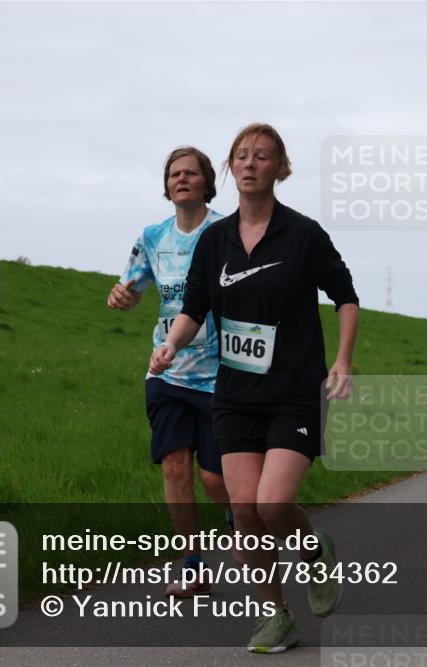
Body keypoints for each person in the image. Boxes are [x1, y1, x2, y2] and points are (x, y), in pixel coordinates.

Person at [150, 123, 360, 653]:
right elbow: (194, 307)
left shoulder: (303, 234)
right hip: (235, 395)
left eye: (261, 156)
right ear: (230, 167)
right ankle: (276, 616)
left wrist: (342, 360)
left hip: (293, 391)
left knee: (272, 503)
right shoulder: (213, 241)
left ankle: (314, 553)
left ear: (279, 168)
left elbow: (346, 296)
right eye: (240, 156)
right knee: (243, 510)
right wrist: (171, 345)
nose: (249, 163)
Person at [107, 146, 234, 597]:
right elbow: (133, 287)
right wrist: (123, 296)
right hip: (166, 371)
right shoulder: (152, 236)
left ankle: (237, 514)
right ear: (166, 186)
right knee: (175, 467)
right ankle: (193, 563)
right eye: (174, 174)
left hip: (221, 375)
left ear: (206, 183)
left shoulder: (226, 231)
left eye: (191, 173)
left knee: (215, 478)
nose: (181, 179)